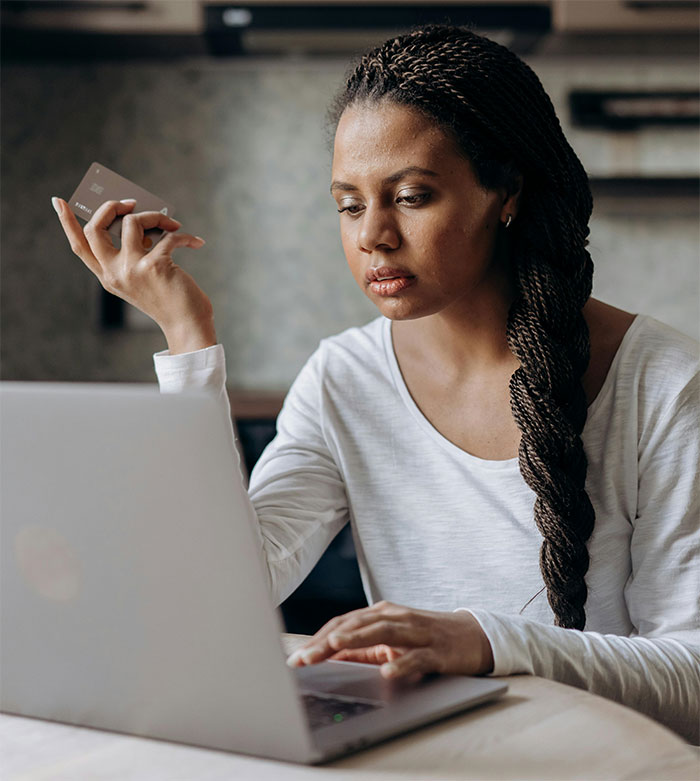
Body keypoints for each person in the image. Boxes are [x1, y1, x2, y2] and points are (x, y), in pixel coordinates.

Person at [52, 25, 698, 743]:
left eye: (413, 196)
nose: (373, 236)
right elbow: (220, 593)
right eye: (350, 204)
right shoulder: (343, 378)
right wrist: (187, 336)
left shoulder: (665, 385)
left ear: (504, 192)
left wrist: (484, 640)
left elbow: (692, 679)